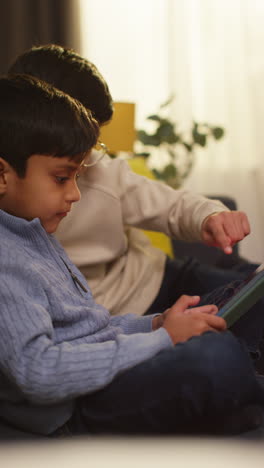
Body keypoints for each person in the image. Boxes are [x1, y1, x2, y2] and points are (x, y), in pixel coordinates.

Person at [0, 73, 264, 438]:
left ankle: (230, 390)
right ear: (2, 176)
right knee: (214, 358)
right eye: (63, 178)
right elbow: (38, 372)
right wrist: (161, 340)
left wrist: (155, 324)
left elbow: (93, 329)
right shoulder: (8, 261)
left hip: (104, 374)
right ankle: (234, 382)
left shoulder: (32, 230)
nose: (76, 194)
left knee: (238, 305)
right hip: (76, 410)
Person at [9, 44, 259, 320]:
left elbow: (171, 205)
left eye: (92, 139)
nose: (88, 154)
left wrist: (210, 216)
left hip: (157, 277)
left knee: (252, 290)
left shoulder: (102, 171)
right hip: (113, 317)